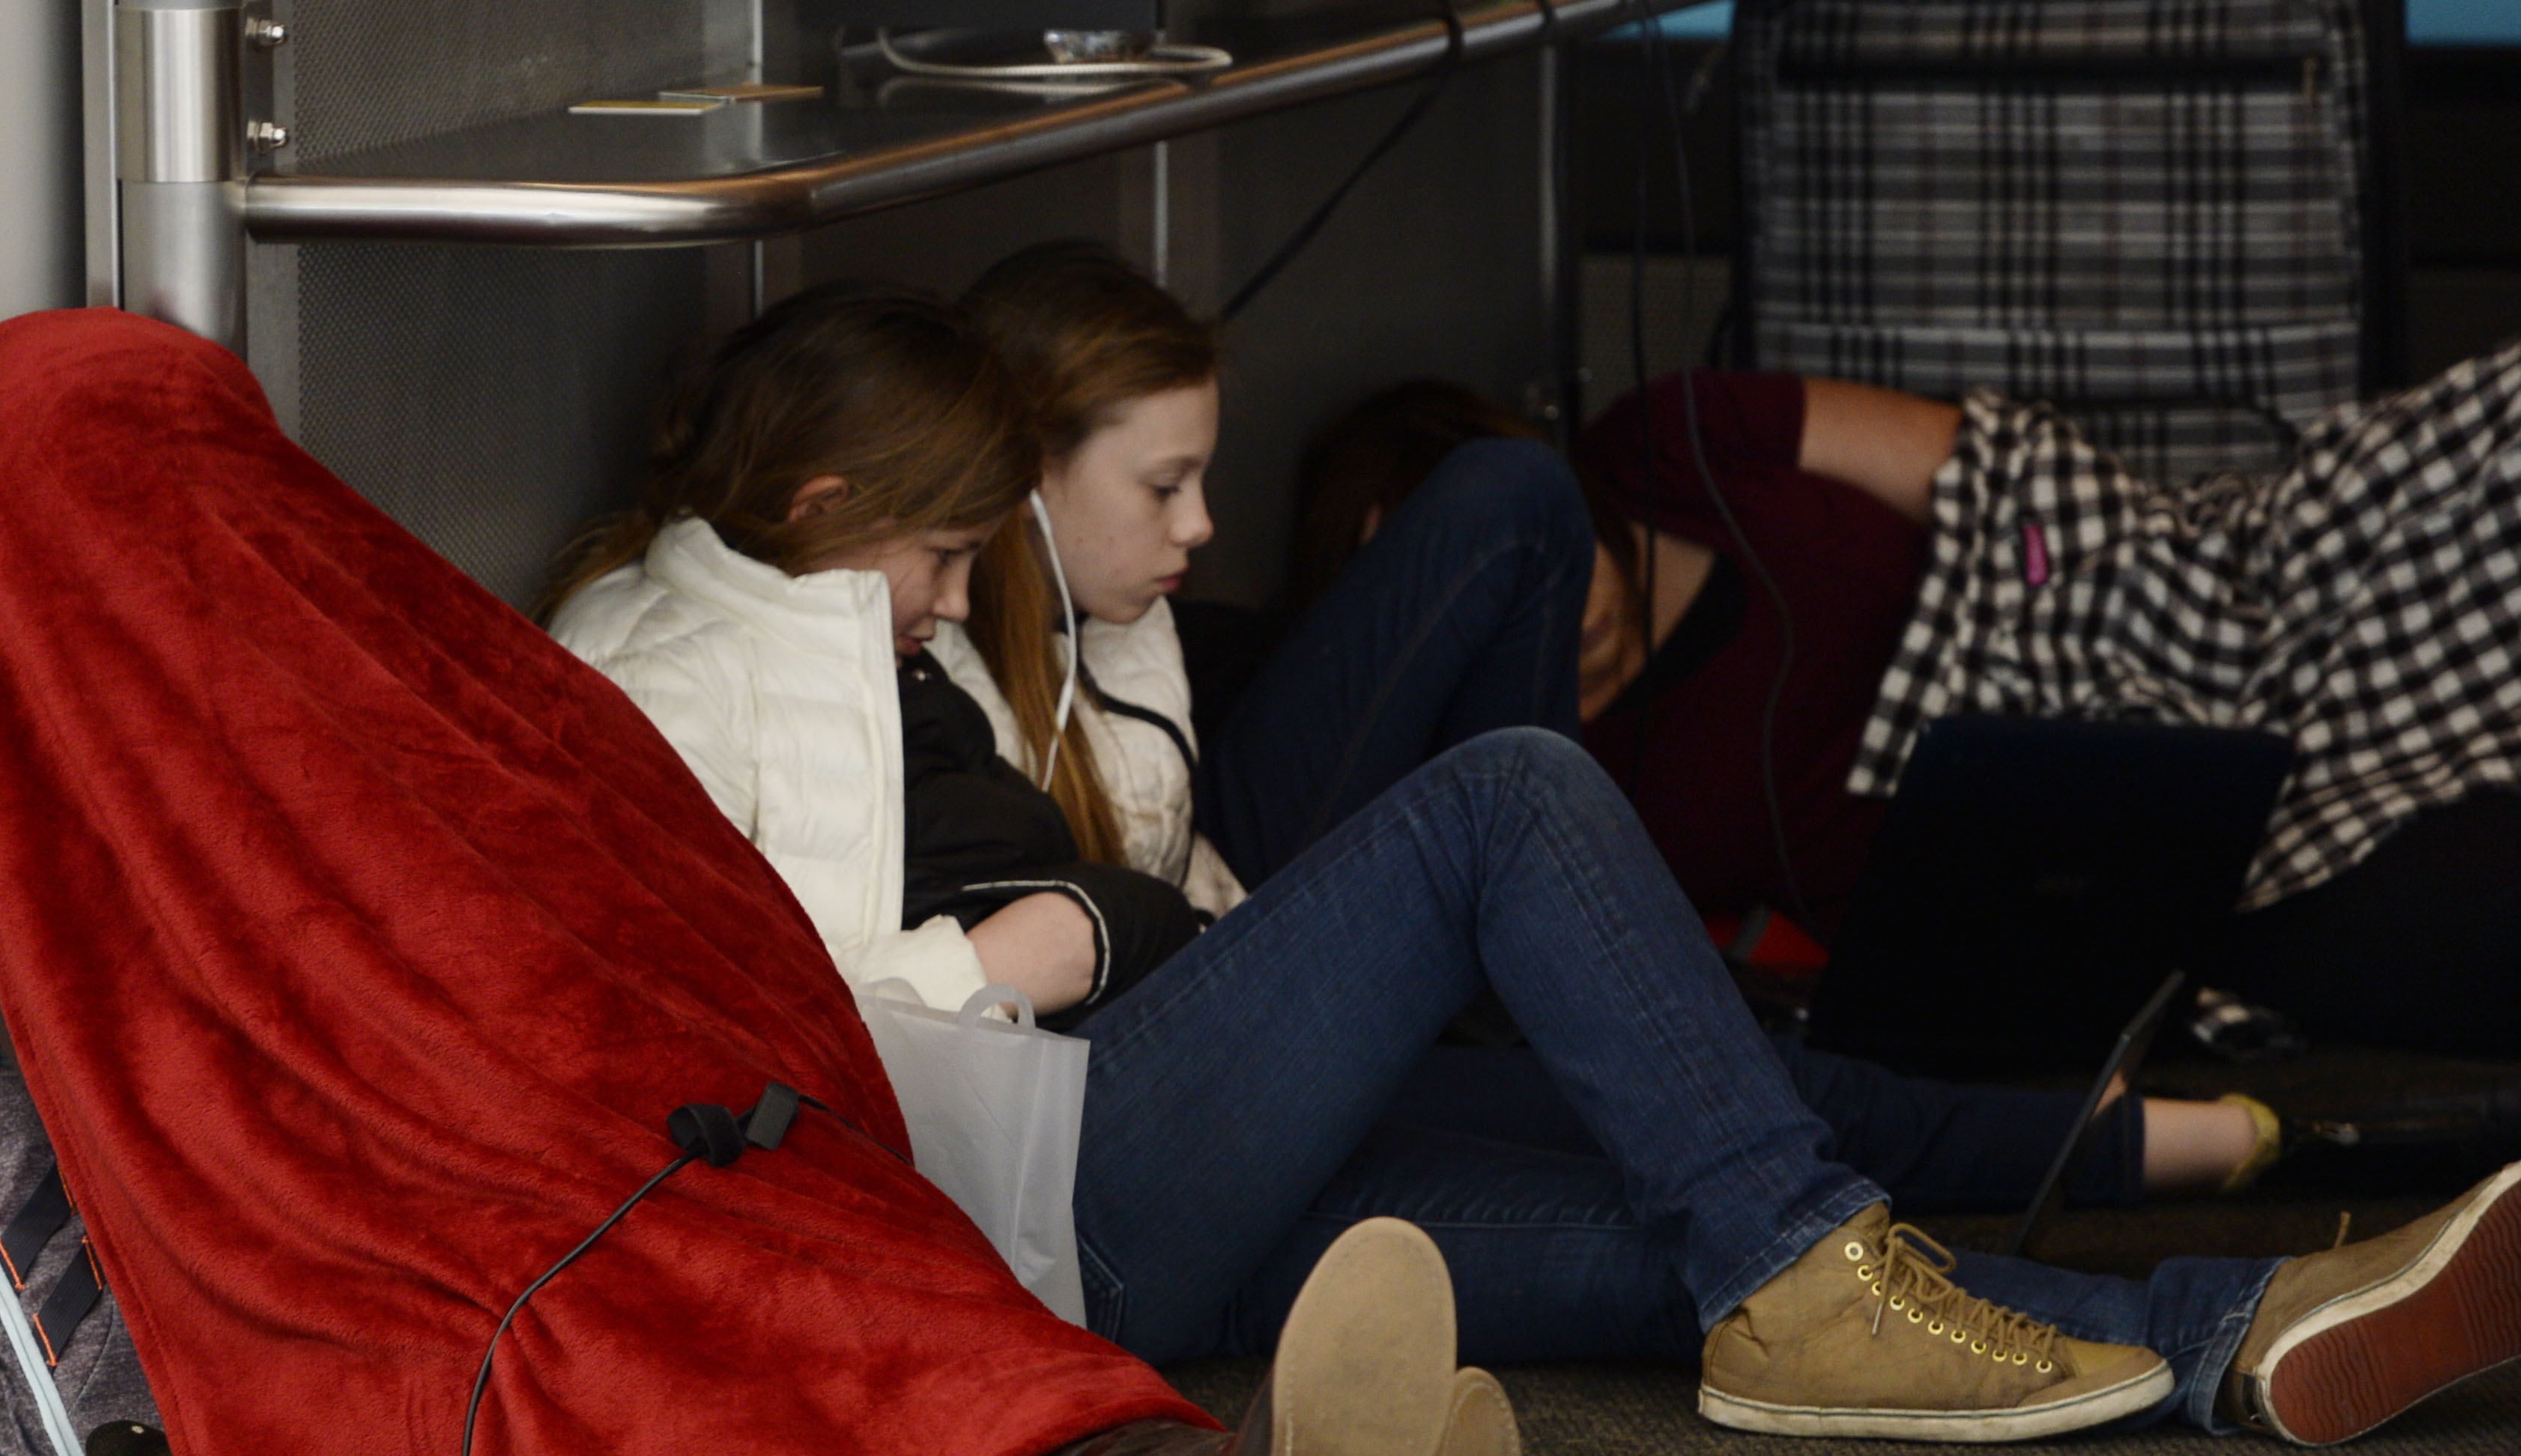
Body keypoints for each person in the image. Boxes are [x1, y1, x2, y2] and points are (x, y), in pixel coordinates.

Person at [0, 304, 1521, 1456]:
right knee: (776, 1400)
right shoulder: (388, 668)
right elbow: (643, 882)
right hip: (527, 1252)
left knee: (764, 1423)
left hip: (556, 1226)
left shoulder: (77, 846)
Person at [543, 278, 2521, 1451]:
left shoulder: (874, 633)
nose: (961, 601)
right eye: (943, 558)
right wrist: (1034, 948)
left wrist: (1099, 892)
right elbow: (704, 1056)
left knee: (1697, 1237)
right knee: (1507, 794)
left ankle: (2225, 1339)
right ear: (818, 505)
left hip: (1162, 1198)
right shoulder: (664, 665)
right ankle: (1816, 1263)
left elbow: (1111, 780)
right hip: (1057, 1172)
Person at [941, 241, 2272, 1210]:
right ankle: (2145, 1152)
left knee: (1518, 494)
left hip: (1268, 908)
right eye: (1165, 484)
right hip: (1225, 1035)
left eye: (1202, 481)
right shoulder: (936, 679)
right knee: (1724, 1103)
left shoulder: (1132, 618)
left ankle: (1543, 945)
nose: (1200, 526)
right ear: (1026, 480)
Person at [1309, 362, 2521, 1057]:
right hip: (2088, 857)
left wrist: (2117, 587)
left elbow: (1991, 465)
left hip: (2150, 596)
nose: (1560, 616)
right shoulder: (1551, 777)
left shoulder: (1668, 440)